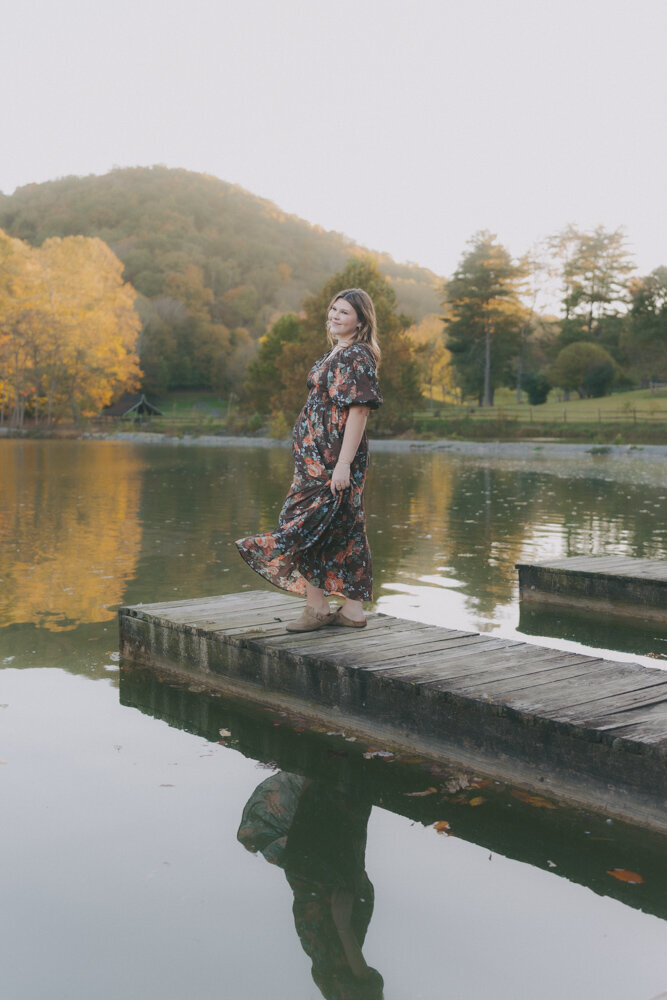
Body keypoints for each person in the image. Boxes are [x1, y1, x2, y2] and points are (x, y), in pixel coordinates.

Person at [235, 288, 382, 632]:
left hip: (332, 460)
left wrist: (344, 464)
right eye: (333, 309)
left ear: (361, 320)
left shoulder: (357, 356)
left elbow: (359, 411)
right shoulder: (337, 352)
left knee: (305, 525)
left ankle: (317, 608)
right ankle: (352, 611)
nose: (334, 316)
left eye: (344, 312)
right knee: (342, 525)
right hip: (318, 459)